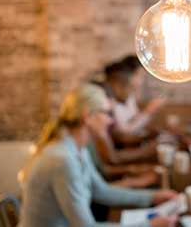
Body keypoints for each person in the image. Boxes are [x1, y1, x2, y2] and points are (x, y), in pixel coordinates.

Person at [19, 84, 177, 227]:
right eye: (107, 113)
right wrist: (148, 225)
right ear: (87, 116)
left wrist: (152, 197)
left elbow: (102, 191)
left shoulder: (78, 148)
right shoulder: (63, 160)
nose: (111, 121)